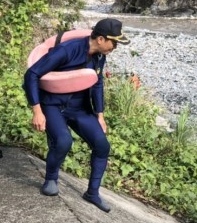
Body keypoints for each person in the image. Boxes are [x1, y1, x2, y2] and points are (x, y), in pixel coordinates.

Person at [23, 18, 129, 212]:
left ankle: (93, 193)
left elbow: (97, 84)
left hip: (79, 107)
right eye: (114, 42)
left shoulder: (99, 56)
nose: (115, 46)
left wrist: (100, 115)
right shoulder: (67, 51)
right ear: (100, 39)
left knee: (102, 146)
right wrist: (37, 110)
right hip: (53, 105)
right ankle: (51, 180)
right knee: (63, 141)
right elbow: (31, 75)